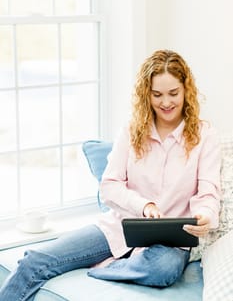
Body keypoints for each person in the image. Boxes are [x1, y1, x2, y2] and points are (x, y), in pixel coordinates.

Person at [0, 49, 221, 300]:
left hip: (171, 241)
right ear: (146, 94)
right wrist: (144, 205)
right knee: (34, 261)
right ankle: (118, 258)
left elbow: (208, 192)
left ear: (186, 90)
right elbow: (110, 186)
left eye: (173, 93)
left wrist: (205, 216)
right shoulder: (131, 130)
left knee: (162, 269)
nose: (166, 102)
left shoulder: (205, 136)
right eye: (157, 94)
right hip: (119, 227)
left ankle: (104, 268)